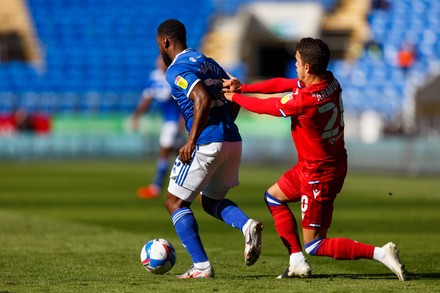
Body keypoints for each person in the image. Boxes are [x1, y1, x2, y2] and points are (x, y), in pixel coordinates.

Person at [222, 37, 407, 281]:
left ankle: (381, 253)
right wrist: (244, 87)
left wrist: (234, 98)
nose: (295, 65)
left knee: (315, 244)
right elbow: (285, 84)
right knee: (273, 197)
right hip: (318, 164)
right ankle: (296, 261)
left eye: (297, 61)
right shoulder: (330, 81)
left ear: (307, 67)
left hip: (319, 174)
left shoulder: (305, 101)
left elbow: (267, 107)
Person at [155, 19, 263, 279]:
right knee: (210, 201)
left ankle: (201, 266)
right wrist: (225, 127)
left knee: (174, 202)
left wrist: (192, 140)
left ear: (165, 42)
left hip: (206, 142)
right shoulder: (209, 62)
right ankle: (247, 225)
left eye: (159, 43)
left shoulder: (175, 69)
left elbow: (201, 97)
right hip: (231, 140)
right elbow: (233, 88)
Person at [132, 56, 183, 199]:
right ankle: (201, 185)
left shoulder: (175, 77)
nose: (159, 62)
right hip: (167, 121)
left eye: (162, 60)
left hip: (173, 122)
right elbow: (147, 99)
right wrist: (137, 116)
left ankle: (156, 187)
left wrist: (183, 120)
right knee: (183, 154)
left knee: (165, 152)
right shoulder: (154, 77)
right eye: (158, 60)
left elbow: (184, 100)